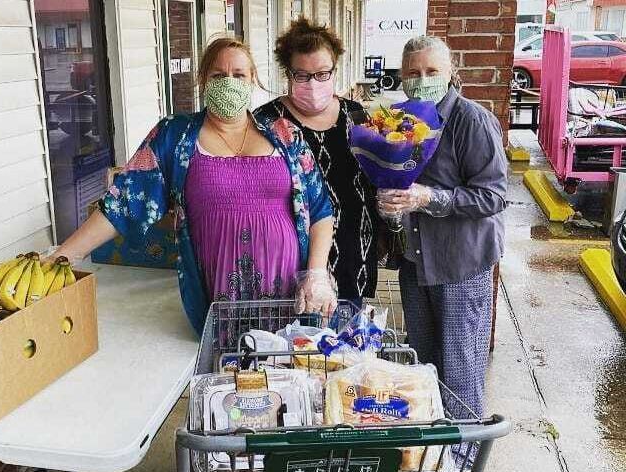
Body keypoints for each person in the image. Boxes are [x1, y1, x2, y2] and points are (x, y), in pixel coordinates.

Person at [54, 37, 336, 334]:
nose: (229, 82)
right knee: (226, 374)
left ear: (252, 79)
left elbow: (320, 210)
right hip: (218, 302)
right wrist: (65, 255)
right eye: (218, 75)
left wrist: (316, 273)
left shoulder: (284, 134)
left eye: (239, 74)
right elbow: (123, 202)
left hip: (289, 298)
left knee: (289, 373)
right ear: (203, 80)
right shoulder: (175, 136)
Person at [376, 35, 508, 417]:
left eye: (432, 71)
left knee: (461, 371)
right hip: (415, 266)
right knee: (422, 367)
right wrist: (391, 208)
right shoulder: (399, 121)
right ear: (401, 77)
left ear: (451, 73)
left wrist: (430, 198)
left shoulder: (472, 120)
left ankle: (463, 461)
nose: (422, 79)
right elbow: (393, 184)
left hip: (460, 267)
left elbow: (493, 196)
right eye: (413, 72)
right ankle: (432, 455)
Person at [255, 19, 378, 307]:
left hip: (354, 248)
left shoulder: (356, 116)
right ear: (288, 73)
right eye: (302, 75)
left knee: (347, 343)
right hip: (294, 256)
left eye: (322, 74)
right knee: (300, 342)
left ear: (335, 70)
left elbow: (371, 175)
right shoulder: (267, 122)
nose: (313, 84)